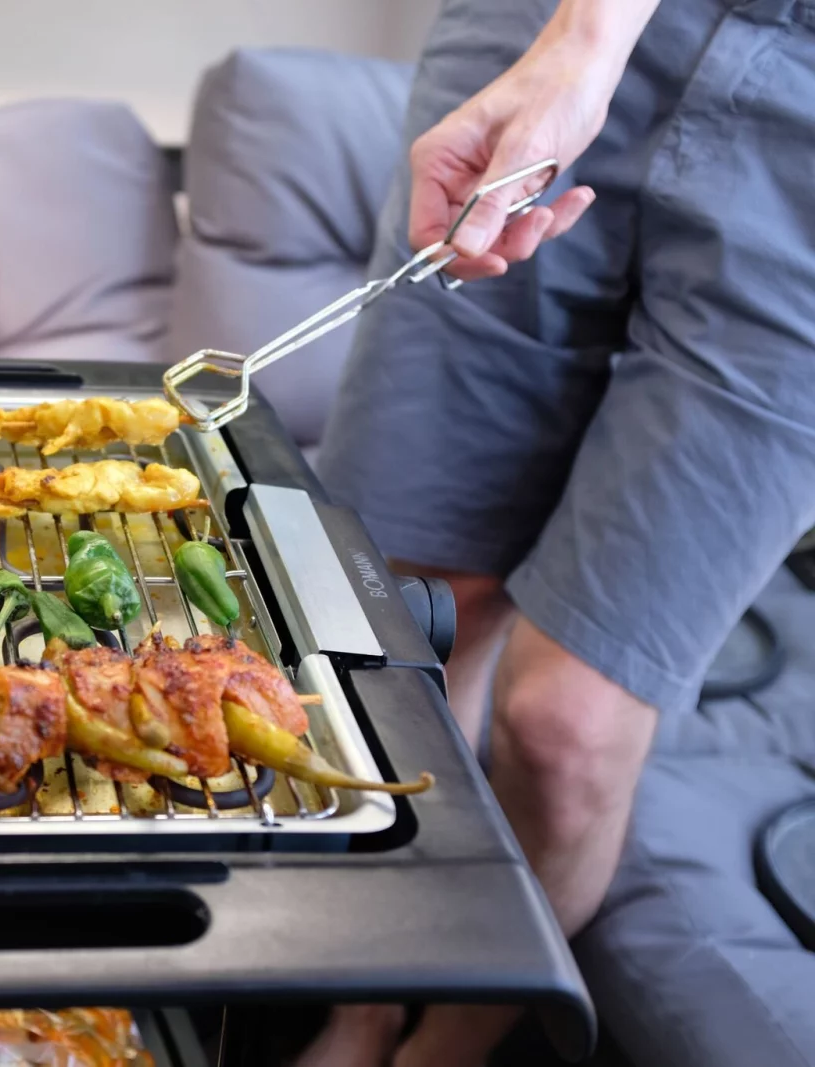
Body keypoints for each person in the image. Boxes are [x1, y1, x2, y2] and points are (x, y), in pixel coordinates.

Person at [299, 0, 815, 1063]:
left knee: (565, 730)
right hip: (552, 24)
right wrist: (584, 40)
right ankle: (357, 1006)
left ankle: (448, 1044)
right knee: (406, 621)